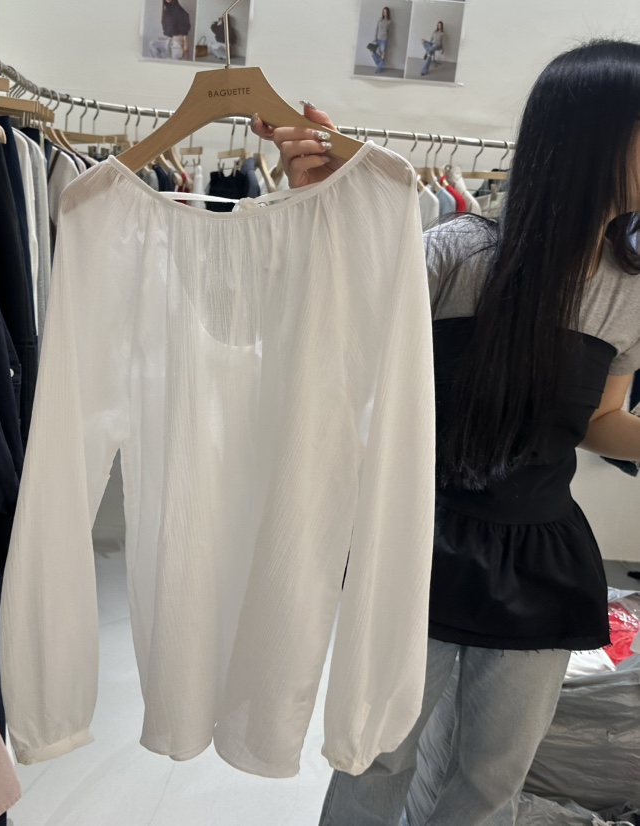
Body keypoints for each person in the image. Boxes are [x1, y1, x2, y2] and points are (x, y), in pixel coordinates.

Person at [252, 39, 640, 825]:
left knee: (492, 780)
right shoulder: (454, 255)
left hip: (543, 561)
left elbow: (600, 420)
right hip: (417, 549)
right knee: (376, 760)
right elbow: (327, 352)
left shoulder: (629, 291)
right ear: (595, 137)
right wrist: (321, 208)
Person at [373, 7, 392, 75]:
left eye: (386, 12)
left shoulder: (389, 21)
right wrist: (375, 38)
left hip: (384, 39)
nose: (385, 13)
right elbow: (376, 29)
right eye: (384, 12)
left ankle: (379, 68)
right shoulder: (380, 19)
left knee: (382, 54)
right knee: (372, 51)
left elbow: (390, 32)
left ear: (388, 13)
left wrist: (389, 42)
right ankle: (380, 64)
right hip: (378, 38)